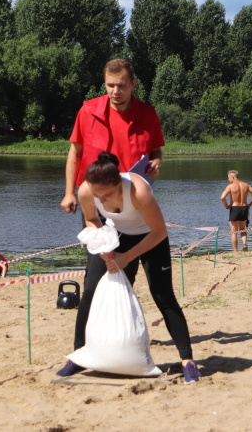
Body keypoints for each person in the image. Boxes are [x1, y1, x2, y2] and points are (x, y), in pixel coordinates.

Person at [57, 152, 200, 383]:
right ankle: (78, 355)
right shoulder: (85, 190)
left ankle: (188, 361)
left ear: (119, 184)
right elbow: (92, 220)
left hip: (150, 237)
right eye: (97, 196)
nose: (101, 201)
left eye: (107, 196)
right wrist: (103, 242)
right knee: (91, 292)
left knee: (163, 296)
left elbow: (160, 231)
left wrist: (126, 258)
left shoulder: (138, 191)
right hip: (118, 234)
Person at [61, 59, 164, 215]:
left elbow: (156, 151)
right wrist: (69, 193)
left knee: (141, 240)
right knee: (97, 239)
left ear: (133, 84)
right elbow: (75, 154)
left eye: (121, 86)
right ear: (104, 84)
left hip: (135, 198)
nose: (115, 91)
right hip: (95, 198)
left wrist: (156, 162)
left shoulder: (148, 114)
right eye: (110, 85)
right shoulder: (88, 111)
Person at [220, 170, 252, 252]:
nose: (228, 180)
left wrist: (226, 206)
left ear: (233, 177)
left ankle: (235, 251)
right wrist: (250, 204)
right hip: (244, 208)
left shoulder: (230, 186)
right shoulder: (245, 185)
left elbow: (222, 197)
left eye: (229, 178)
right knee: (243, 229)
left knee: (234, 232)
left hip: (235, 208)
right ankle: (244, 244)